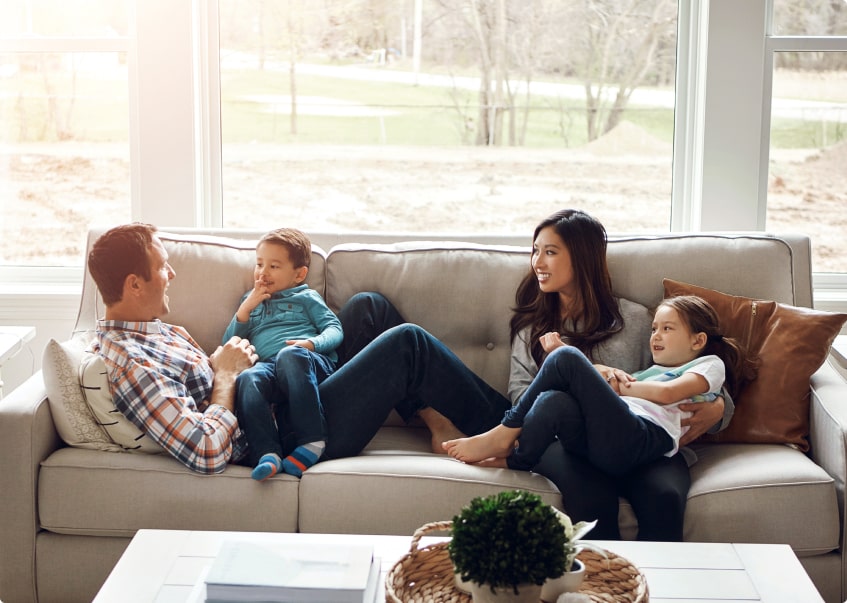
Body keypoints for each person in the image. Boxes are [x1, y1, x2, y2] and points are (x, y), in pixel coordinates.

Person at [442, 209, 731, 541]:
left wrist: (719, 408)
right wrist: (585, 384)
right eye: (535, 251)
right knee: (592, 499)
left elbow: (677, 371)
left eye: (550, 252)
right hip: (563, 438)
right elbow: (525, 398)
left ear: (582, 258)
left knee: (664, 497)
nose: (537, 262)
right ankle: (600, 574)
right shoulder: (531, 329)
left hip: (633, 433)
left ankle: (649, 576)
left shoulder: (637, 320)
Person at [444, 295, 752, 476]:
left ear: (698, 341)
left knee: (565, 357)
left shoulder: (708, 364)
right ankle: (516, 460)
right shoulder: (651, 371)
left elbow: (668, 393)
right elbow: (620, 391)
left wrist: (610, 384)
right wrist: (597, 374)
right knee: (553, 400)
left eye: (667, 329)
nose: (655, 336)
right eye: (654, 329)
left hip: (644, 438)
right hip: (612, 443)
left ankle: (505, 431)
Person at [88, 223, 258, 474]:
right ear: (135, 285)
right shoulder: (132, 364)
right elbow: (207, 451)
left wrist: (222, 363)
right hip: (269, 438)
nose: (172, 274)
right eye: (162, 266)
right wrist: (226, 374)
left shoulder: (151, 331)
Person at [223, 228, 343, 480]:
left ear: (299, 274)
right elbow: (229, 346)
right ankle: (267, 453)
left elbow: (334, 329)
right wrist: (245, 309)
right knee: (247, 378)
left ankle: (312, 440)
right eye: (259, 264)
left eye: (274, 266)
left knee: (290, 355)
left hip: (309, 363)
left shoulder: (306, 297)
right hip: (269, 368)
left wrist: (311, 344)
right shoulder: (250, 301)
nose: (263, 272)